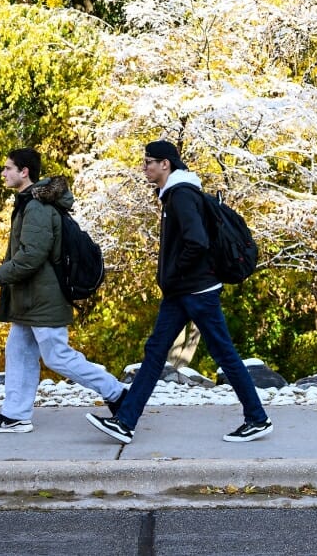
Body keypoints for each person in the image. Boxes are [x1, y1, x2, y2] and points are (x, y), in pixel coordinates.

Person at [86, 140, 272, 443]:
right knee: (155, 353)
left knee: (224, 353)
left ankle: (257, 418)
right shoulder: (174, 195)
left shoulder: (181, 195)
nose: (144, 168)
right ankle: (126, 421)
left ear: (166, 165)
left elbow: (197, 242)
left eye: (149, 162)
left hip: (197, 291)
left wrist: (175, 272)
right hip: (181, 291)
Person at [0, 148, 126, 433]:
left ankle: (117, 393)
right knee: (19, 352)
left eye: (8, 168)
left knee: (57, 355)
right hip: (30, 298)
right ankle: (15, 416)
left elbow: (31, 256)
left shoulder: (36, 207)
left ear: (25, 172)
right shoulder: (28, 203)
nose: (4, 173)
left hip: (44, 298)